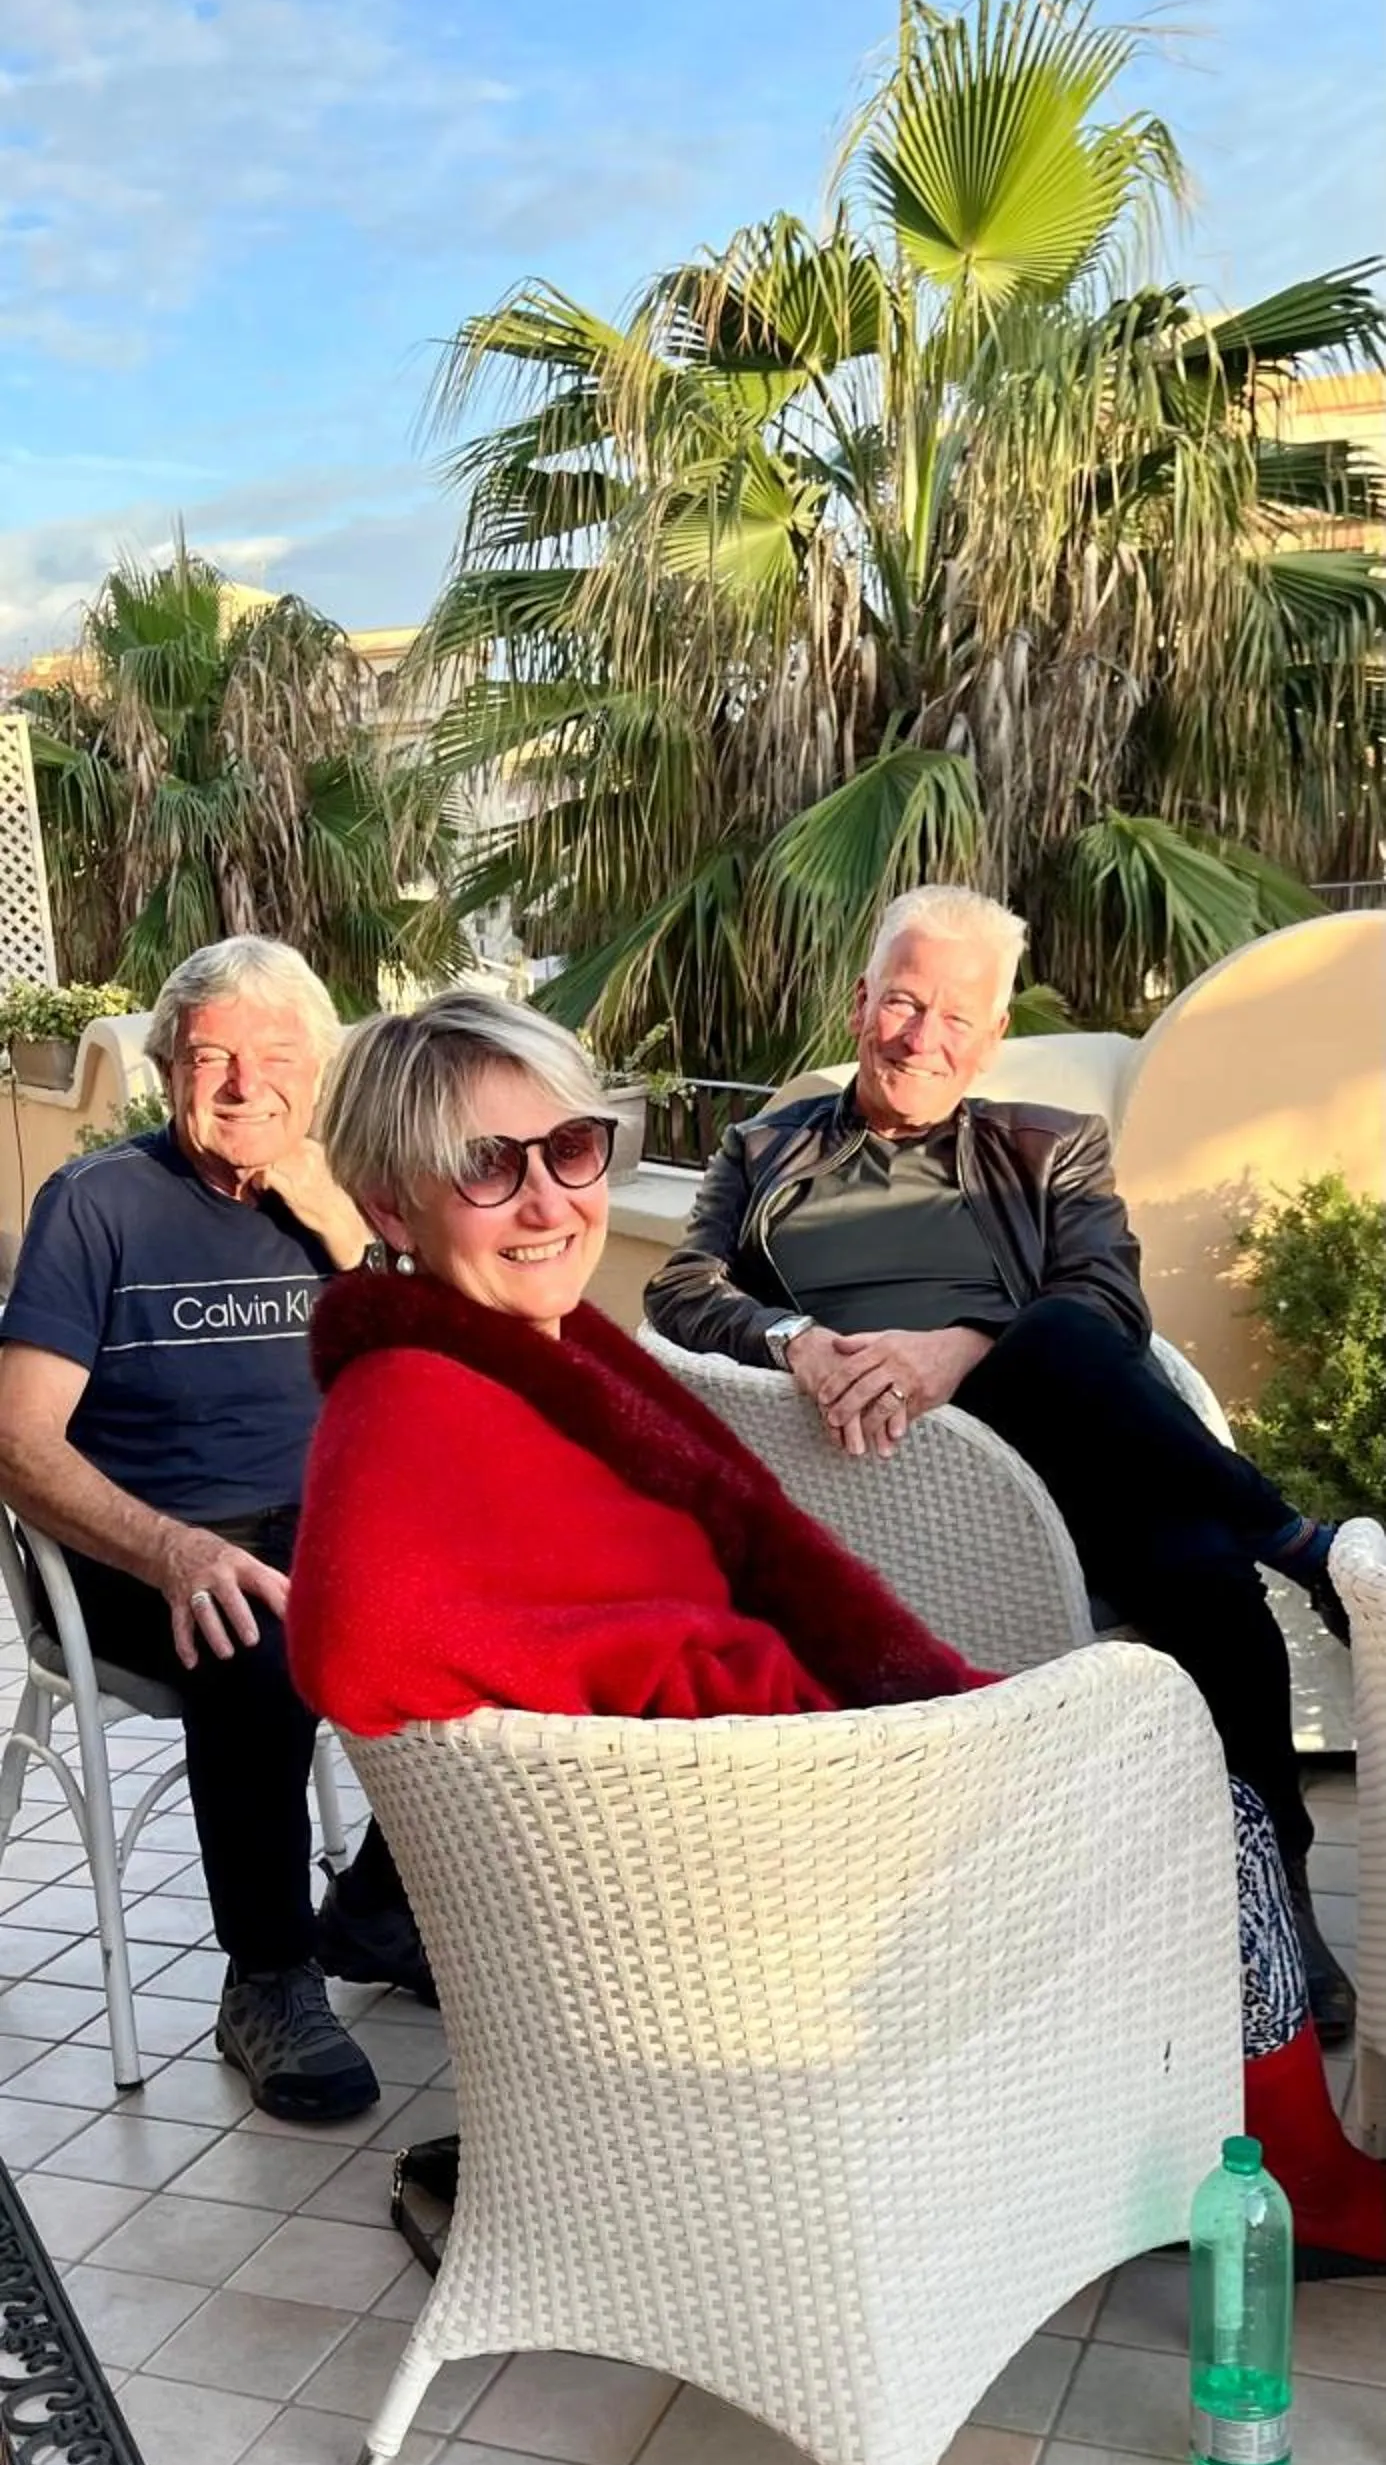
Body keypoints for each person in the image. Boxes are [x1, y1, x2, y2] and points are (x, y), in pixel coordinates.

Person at [286, 989, 1385, 2278]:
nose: (550, 1203)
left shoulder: (531, 1349)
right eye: (488, 1166)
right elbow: (355, 1641)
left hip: (811, 1754)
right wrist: (758, 1697)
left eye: (571, 1150)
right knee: (1195, 1790)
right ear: (389, 1205)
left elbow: (1096, 1301)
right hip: (772, 1871)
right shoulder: (417, 1404)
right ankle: (1287, 2174)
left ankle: (1189, 2135)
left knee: (1166, 1609)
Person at [645, 884, 1354, 2047]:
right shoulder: (765, 1149)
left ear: (992, 1037)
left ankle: (1275, 1893)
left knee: (1188, 1555)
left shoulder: (1047, 1144)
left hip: (1061, 1461)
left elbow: (1109, 1301)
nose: (922, 1037)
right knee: (1202, 1544)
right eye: (903, 1002)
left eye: (956, 1017)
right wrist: (795, 1338)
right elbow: (681, 1292)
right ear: (861, 1002)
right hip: (870, 1481)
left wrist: (961, 1348)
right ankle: (1297, 1542)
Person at [0, 937, 430, 2126]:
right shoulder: (97, 1205)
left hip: (328, 1534)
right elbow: (19, 1441)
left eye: (277, 1057)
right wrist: (175, 1551)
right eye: (212, 1057)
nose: (246, 1085)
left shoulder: (349, 1200)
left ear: (320, 1072)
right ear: (166, 1071)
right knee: (259, 1629)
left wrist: (341, 1231)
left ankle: (378, 1909)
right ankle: (267, 1976)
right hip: (150, 1550)